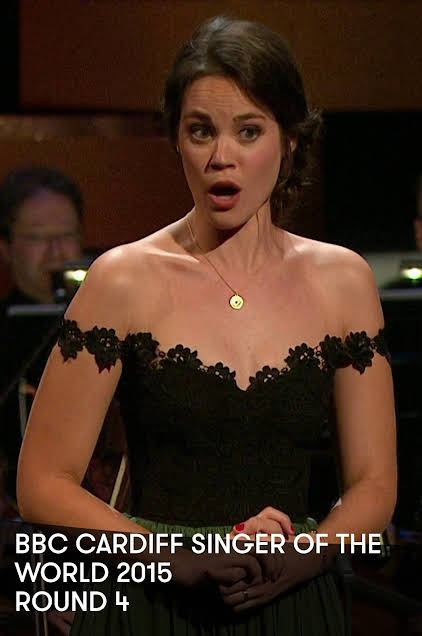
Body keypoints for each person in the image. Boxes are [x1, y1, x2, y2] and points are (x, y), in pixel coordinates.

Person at [17, 16, 396, 635]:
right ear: (177, 140)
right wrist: (175, 558)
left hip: (292, 603)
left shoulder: (343, 281)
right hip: (157, 603)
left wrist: (307, 554)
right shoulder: (122, 279)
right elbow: (41, 483)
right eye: (201, 131)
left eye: (249, 131)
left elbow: (374, 484)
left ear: (290, 140)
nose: (222, 157)